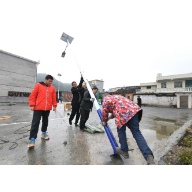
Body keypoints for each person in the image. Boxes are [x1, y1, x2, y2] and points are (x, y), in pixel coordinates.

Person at [101, 95, 155, 165]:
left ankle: (124, 150)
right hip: (134, 110)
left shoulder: (105, 100)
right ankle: (149, 157)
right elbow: (116, 109)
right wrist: (109, 117)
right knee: (136, 133)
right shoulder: (116, 97)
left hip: (123, 112)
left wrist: (104, 121)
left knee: (121, 130)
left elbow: (105, 111)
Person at [28, 75, 57, 148]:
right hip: (38, 108)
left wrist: (55, 106)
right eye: (49, 81)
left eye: (51, 81)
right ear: (45, 79)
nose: (50, 83)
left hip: (47, 109)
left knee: (45, 121)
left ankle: (44, 133)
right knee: (35, 123)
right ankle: (32, 139)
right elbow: (33, 95)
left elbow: (54, 98)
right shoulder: (38, 85)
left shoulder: (52, 88)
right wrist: (32, 105)